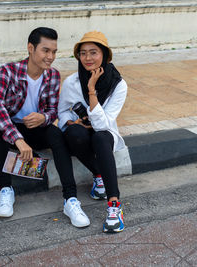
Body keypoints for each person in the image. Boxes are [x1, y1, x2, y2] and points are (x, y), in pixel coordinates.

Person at [0, 27, 89, 228]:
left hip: (36, 129)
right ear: (30, 48)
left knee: (56, 134)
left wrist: (44, 117)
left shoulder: (52, 76)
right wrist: (18, 139)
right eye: (45, 50)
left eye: (54, 51)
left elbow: (52, 111)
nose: (50, 57)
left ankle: (71, 200)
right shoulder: (9, 71)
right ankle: (6, 190)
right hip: (11, 132)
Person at [58, 31, 127, 233]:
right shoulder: (71, 82)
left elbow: (103, 125)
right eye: (83, 53)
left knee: (100, 137)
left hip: (105, 135)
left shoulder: (118, 85)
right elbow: (61, 111)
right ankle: (98, 175)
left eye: (93, 52)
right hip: (83, 133)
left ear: (104, 55)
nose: (88, 58)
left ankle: (114, 205)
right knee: (73, 134)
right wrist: (73, 121)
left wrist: (91, 90)